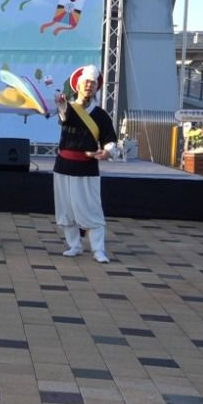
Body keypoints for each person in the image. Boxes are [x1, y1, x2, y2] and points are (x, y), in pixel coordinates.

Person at [54, 65, 118, 263]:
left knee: (91, 209)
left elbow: (110, 140)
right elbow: (63, 116)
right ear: (79, 86)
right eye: (86, 82)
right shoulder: (69, 108)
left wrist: (107, 151)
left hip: (87, 167)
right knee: (66, 209)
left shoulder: (101, 115)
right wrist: (61, 104)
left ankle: (98, 249)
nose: (89, 86)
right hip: (63, 166)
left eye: (93, 83)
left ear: (97, 87)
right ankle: (74, 245)